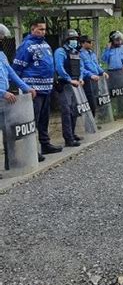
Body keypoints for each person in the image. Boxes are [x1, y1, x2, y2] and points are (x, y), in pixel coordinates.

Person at [13, 19, 62, 159]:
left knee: (44, 119)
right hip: (34, 89)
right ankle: (31, 150)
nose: (43, 32)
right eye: (40, 29)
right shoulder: (26, 46)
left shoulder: (45, 44)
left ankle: (45, 144)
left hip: (47, 88)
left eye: (44, 29)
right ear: (32, 29)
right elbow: (17, 68)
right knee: (32, 120)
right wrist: (22, 87)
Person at [0, 24, 37, 171]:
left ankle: (12, 162)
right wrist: (2, 92)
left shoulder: (2, 55)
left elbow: (11, 73)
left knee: (9, 131)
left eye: (2, 39)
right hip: (3, 96)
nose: (1, 41)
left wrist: (26, 88)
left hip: (4, 101)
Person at [54, 29, 87, 147]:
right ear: (66, 40)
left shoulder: (76, 52)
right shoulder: (60, 52)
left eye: (75, 39)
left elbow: (80, 67)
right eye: (71, 39)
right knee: (66, 111)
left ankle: (72, 134)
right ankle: (68, 138)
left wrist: (81, 78)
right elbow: (59, 67)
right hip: (65, 84)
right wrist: (69, 79)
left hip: (76, 84)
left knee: (74, 110)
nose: (74, 41)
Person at [79, 35, 108, 116]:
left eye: (91, 42)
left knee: (97, 100)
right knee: (90, 102)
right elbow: (81, 69)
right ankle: (91, 122)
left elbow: (96, 65)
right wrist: (90, 75)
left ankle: (96, 120)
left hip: (96, 80)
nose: (91, 43)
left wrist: (102, 72)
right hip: (87, 80)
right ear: (82, 43)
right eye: (88, 42)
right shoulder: (80, 54)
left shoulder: (92, 53)